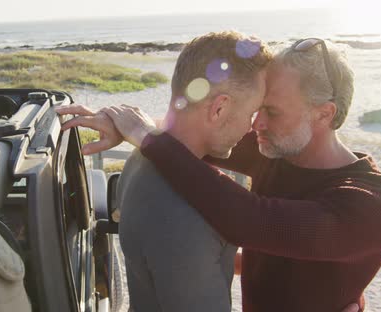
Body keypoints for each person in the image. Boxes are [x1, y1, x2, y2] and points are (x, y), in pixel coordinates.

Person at [55, 37, 381, 311]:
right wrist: (122, 121)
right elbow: (198, 132)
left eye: (271, 110)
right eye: (256, 108)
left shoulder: (373, 206)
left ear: (324, 114)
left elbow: (250, 220)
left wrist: (147, 138)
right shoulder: (277, 149)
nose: (257, 124)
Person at [112, 31, 271, 312]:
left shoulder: (142, 157)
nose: (252, 127)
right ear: (219, 108)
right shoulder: (185, 214)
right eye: (252, 113)